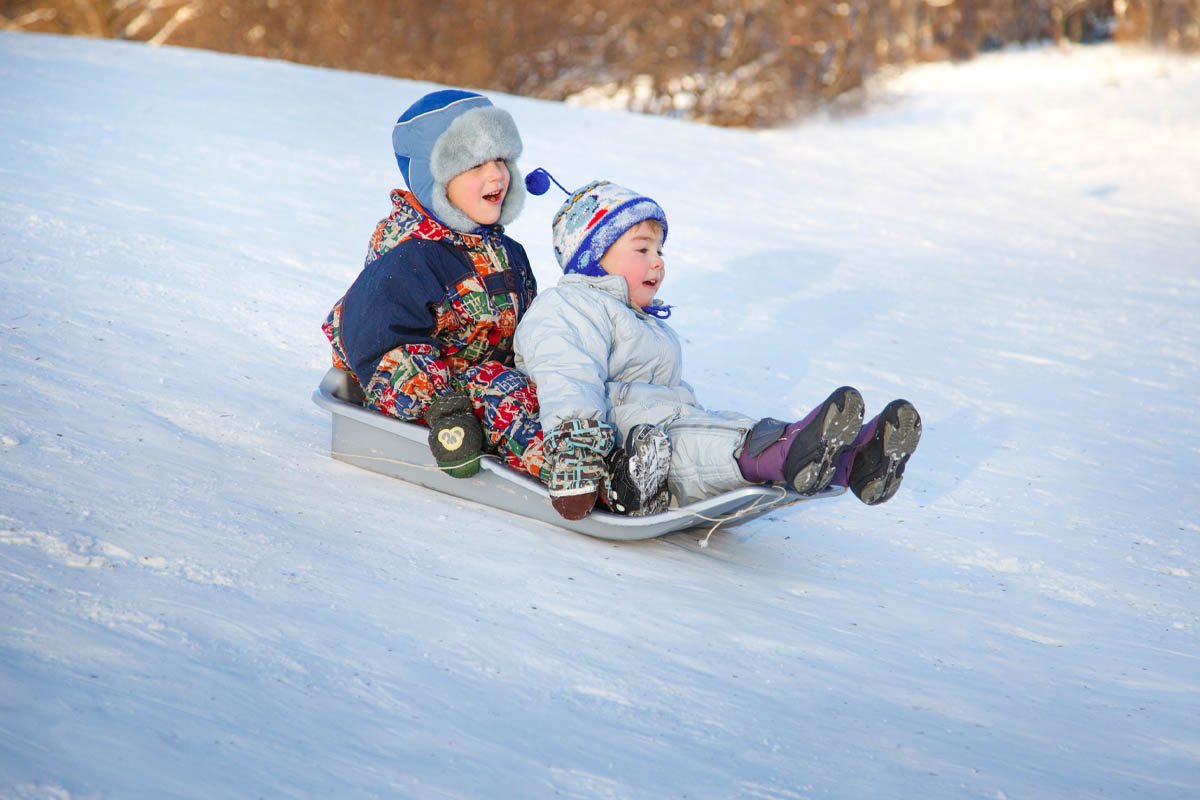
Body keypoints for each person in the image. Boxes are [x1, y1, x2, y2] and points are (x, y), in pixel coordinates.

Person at [514, 174, 922, 521]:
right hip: (630, 450)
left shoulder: (640, 319)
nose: (657, 262)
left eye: (660, 251)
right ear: (592, 258)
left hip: (670, 423)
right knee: (712, 447)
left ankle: (854, 462)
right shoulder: (567, 307)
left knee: (735, 428)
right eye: (642, 249)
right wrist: (580, 455)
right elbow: (568, 379)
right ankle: (792, 451)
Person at [322, 89, 544, 480]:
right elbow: (384, 342)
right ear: (434, 179)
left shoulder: (508, 252)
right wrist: (444, 408)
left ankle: (628, 452)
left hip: (493, 385)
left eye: (501, 159)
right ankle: (584, 477)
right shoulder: (411, 256)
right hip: (434, 403)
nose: (496, 174)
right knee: (505, 390)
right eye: (475, 165)